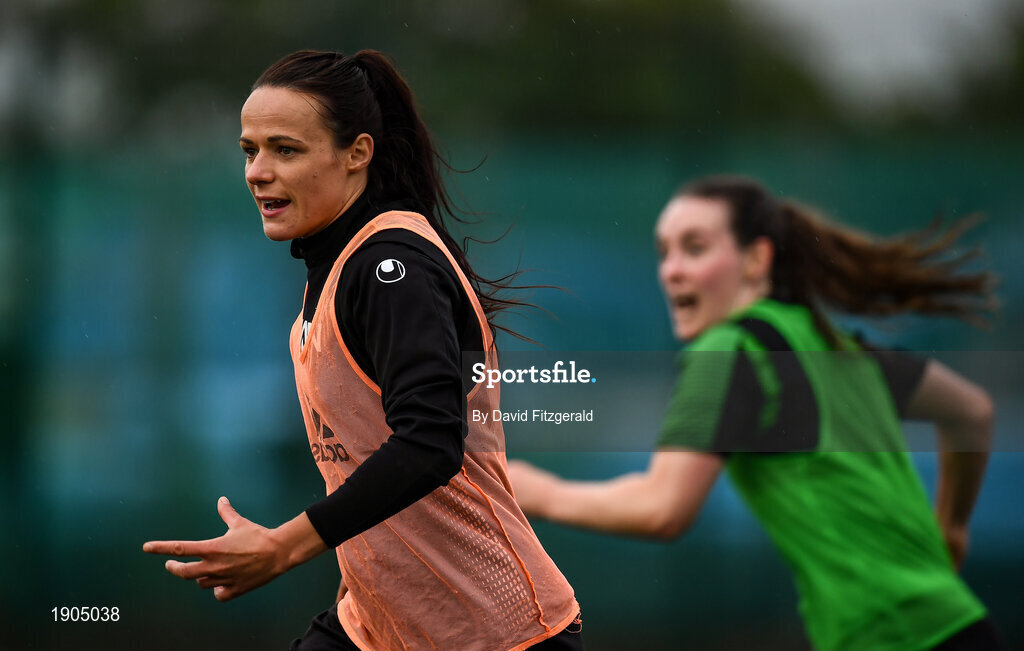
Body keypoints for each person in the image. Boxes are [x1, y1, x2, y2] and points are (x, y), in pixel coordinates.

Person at [143, 49, 582, 651]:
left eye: (285, 149)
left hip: (493, 632)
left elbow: (429, 444)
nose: (257, 171)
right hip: (376, 625)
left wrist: (284, 546)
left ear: (357, 154)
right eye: (250, 151)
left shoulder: (389, 267)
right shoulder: (337, 267)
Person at [509, 175, 1003, 650]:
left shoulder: (728, 349)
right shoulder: (830, 343)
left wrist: (541, 492)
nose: (671, 270)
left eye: (695, 248)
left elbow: (662, 510)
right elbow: (972, 412)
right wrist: (952, 526)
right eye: (664, 252)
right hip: (957, 624)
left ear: (756, 260)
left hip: (895, 635)